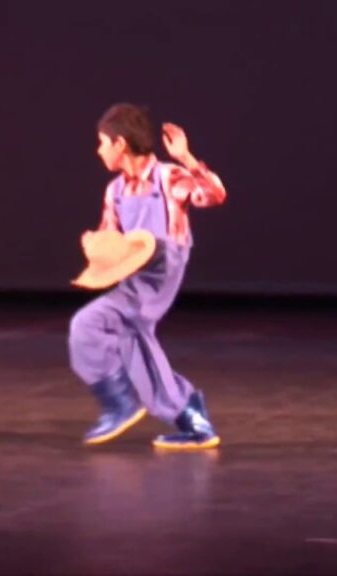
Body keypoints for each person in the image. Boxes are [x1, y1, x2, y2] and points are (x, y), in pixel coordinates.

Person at [69, 103, 227, 450]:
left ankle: (119, 402)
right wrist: (97, 248)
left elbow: (215, 195)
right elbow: (111, 239)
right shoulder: (115, 191)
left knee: (89, 324)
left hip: (162, 265)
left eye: (102, 143)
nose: (99, 151)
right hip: (135, 269)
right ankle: (191, 417)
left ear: (120, 144)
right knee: (131, 336)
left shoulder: (168, 177)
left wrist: (187, 158)